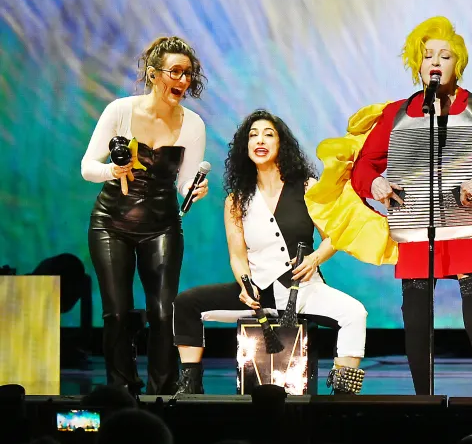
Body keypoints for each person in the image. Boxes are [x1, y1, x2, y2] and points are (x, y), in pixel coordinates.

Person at [306, 16, 472, 397]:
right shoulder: (396, 115)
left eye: (445, 55)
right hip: (416, 228)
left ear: (458, 63)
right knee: (416, 323)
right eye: (427, 55)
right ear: (417, 64)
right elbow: (364, 167)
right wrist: (376, 183)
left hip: (469, 226)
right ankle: (424, 403)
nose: (435, 62)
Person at [171, 110, 368, 395]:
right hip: (257, 294)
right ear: (245, 147)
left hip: (301, 291)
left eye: (268, 134)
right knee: (186, 303)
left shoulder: (307, 187)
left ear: (281, 144)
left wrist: (314, 259)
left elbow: (333, 237)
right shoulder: (236, 200)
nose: (259, 140)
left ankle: (344, 395)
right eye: (252, 135)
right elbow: (238, 256)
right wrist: (244, 284)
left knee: (355, 313)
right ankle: (190, 387)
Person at [81, 36, 209, 395]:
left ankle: (163, 393)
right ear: (154, 74)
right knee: (117, 314)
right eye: (176, 72)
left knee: (163, 313)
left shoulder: (193, 124)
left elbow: (185, 181)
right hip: (111, 222)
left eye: (189, 74)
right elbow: (88, 166)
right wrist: (112, 172)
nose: (183, 81)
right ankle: (121, 391)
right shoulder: (120, 110)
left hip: (162, 225)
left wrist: (194, 188)